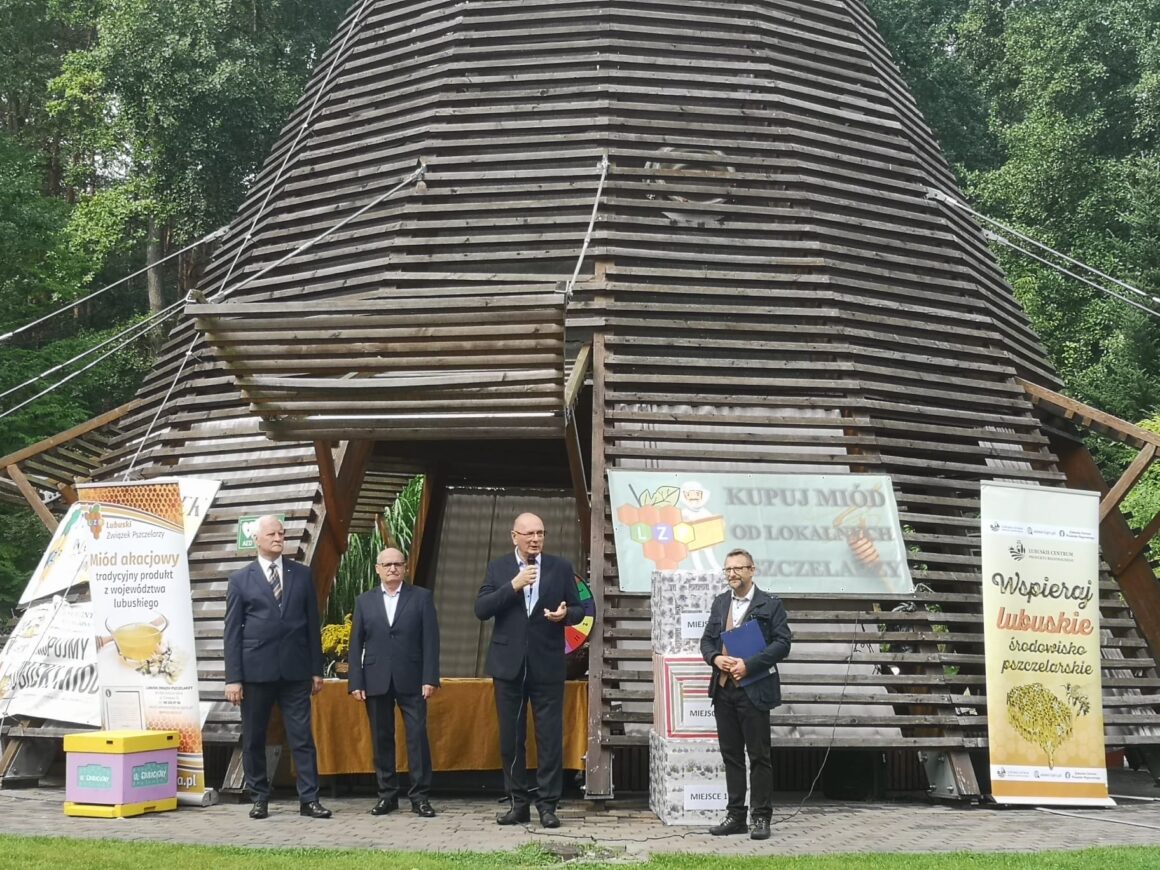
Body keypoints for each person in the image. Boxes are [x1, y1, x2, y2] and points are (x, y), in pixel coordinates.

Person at [474, 512, 583, 829]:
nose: (536, 539)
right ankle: (517, 803)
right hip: (508, 667)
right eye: (529, 534)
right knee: (511, 738)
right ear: (514, 537)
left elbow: (578, 610)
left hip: (547, 664)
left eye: (540, 533)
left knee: (549, 738)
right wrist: (513, 585)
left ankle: (548, 805)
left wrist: (565, 614)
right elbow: (481, 609)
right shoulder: (499, 568)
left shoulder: (560, 567)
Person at [224, 515, 331, 820]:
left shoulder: (301, 574)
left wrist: (316, 669)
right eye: (271, 533)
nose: (278, 538)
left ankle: (309, 799)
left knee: (302, 737)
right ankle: (259, 797)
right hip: (256, 672)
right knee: (255, 737)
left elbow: (312, 625)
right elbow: (232, 632)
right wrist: (234, 679)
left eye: (281, 534)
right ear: (256, 539)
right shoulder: (240, 580)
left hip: (295, 672)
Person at [699, 548, 791, 840]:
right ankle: (736, 816)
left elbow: (783, 644)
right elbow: (706, 642)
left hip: (754, 690)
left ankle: (761, 817)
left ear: (752, 570)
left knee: (759, 756)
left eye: (738, 568)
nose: (732, 574)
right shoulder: (720, 603)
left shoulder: (771, 604)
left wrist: (748, 665)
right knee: (731, 756)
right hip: (724, 690)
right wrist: (715, 659)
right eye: (727, 569)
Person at [348, 546, 440, 818]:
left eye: (397, 564)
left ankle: (420, 797)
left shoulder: (421, 598)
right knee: (381, 738)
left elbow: (431, 642)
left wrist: (429, 677)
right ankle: (387, 795)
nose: (392, 569)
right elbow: (356, 645)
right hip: (375, 679)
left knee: (416, 737)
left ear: (405, 568)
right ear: (378, 568)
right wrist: (356, 681)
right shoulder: (364, 601)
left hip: (412, 679)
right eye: (387, 564)